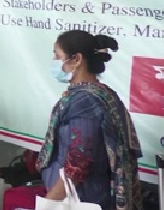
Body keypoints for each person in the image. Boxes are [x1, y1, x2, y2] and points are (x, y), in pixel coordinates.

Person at [37, 31, 141, 210]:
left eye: (57, 55)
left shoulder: (85, 101)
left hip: (81, 199)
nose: (54, 60)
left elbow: (79, 162)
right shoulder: (103, 93)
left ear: (76, 59)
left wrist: (49, 203)